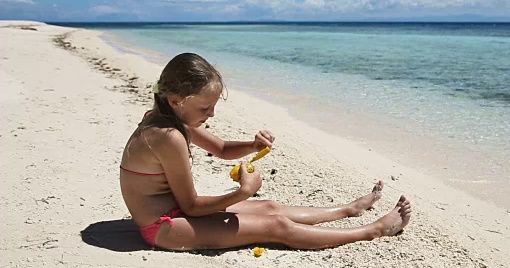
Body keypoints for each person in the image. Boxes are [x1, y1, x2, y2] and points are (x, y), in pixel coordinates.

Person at [119, 52, 411, 250]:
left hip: (176, 212)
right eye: (206, 108)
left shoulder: (167, 117)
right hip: (163, 227)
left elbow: (220, 148)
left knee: (270, 207)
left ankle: (347, 210)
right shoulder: (167, 136)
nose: (212, 114)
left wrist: (252, 144)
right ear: (176, 99)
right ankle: (372, 231)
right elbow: (192, 206)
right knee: (276, 225)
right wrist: (243, 192)